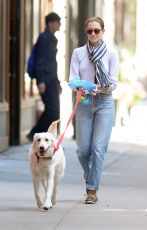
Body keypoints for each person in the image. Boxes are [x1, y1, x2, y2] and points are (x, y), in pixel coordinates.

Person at [69, 17, 119, 204]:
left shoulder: (111, 54)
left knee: (98, 149)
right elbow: (72, 80)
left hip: (105, 103)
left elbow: (113, 83)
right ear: (86, 32)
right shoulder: (78, 53)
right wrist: (82, 86)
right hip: (84, 103)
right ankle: (91, 176)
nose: (93, 34)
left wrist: (96, 88)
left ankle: (92, 191)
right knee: (83, 151)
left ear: (103, 32)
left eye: (96, 30)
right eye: (90, 31)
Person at [27, 12, 62, 141]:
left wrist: (57, 83)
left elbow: (53, 62)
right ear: (50, 23)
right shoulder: (44, 38)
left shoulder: (51, 38)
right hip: (45, 81)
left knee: (55, 111)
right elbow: (41, 60)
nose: (60, 24)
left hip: (52, 81)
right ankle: (35, 134)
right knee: (52, 110)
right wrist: (41, 81)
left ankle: (51, 140)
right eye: (58, 22)